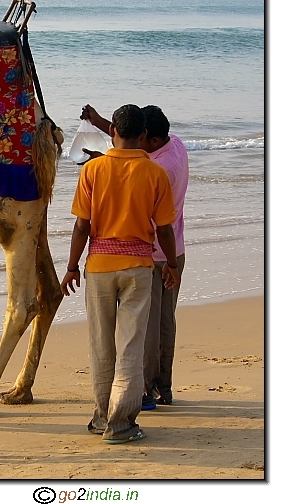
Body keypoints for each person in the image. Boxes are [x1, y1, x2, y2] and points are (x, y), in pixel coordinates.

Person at [61, 104, 180, 445]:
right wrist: (171, 265)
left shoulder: (93, 170)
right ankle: (122, 423)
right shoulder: (155, 172)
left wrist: (71, 267)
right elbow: (165, 230)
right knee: (130, 347)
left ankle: (101, 417)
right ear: (143, 135)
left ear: (112, 130)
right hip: (139, 268)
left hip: (98, 266)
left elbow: (82, 225)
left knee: (101, 345)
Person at [82, 104, 189, 408]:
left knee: (146, 330)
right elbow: (129, 140)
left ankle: (146, 389)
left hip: (153, 254)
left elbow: (157, 221)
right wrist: (101, 122)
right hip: (174, 251)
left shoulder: (160, 171)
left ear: (151, 140)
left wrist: (104, 165)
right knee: (165, 321)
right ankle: (163, 386)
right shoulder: (175, 145)